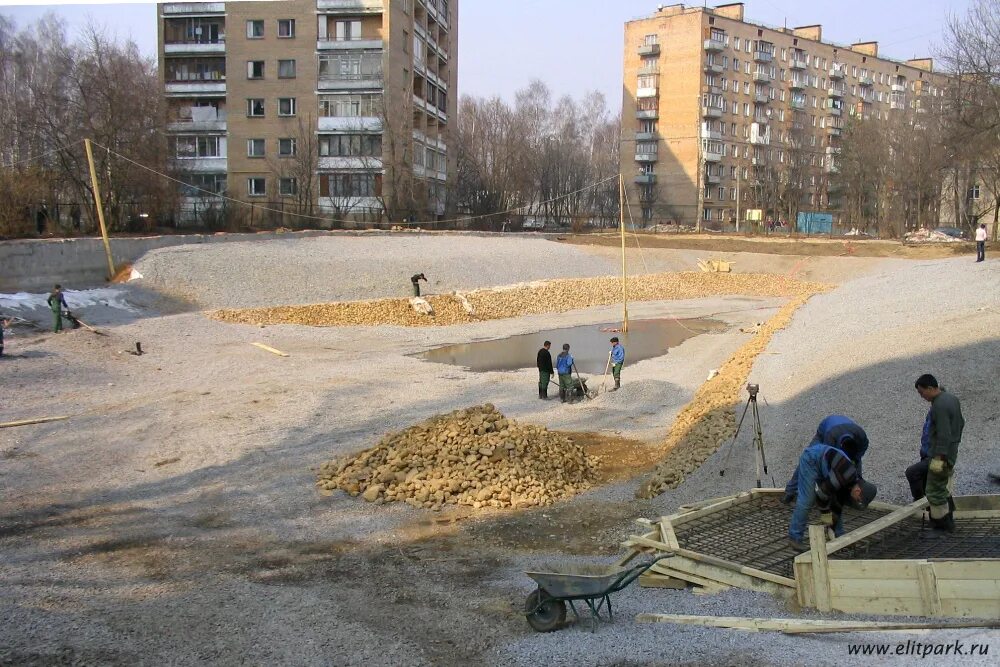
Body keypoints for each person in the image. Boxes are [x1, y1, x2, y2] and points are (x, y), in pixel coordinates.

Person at [788, 442, 877, 548]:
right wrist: (826, 517)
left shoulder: (849, 483)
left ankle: (840, 536)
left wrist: (831, 524)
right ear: (858, 491)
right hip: (812, 458)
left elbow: (837, 505)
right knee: (807, 499)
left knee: (834, 500)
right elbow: (820, 497)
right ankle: (795, 537)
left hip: (826, 463)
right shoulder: (844, 476)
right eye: (858, 499)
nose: (856, 501)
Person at [914, 374, 964, 532]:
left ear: (930, 388)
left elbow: (943, 434)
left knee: (934, 490)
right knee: (943, 486)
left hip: (941, 455)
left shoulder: (939, 406)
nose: (922, 397)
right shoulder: (951, 398)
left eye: (922, 393)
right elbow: (961, 423)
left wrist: (939, 458)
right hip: (951, 451)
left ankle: (942, 524)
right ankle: (948, 521)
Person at [783, 415, 869, 504]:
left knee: (855, 466)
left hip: (842, 430)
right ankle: (790, 492)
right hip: (824, 432)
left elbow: (860, 455)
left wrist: (854, 471)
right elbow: (825, 465)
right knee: (809, 460)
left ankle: (855, 489)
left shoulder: (862, 438)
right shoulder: (830, 439)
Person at [904, 405, 933, 501]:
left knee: (912, 472)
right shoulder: (932, 413)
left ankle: (919, 502)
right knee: (925, 484)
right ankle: (925, 503)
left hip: (935, 457)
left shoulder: (942, 416)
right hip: (926, 455)